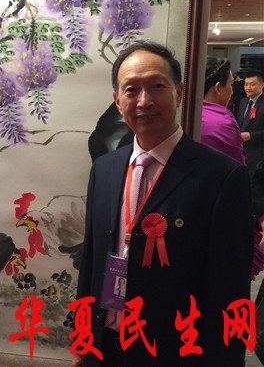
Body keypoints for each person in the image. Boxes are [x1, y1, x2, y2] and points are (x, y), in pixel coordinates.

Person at [74, 42, 252, 367]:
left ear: (179, 92)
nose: (144, 101)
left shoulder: (222, 177)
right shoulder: (104, 168)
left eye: (157, 86)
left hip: (175, 352)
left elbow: (230, 291)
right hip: (105, 347)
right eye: (131, 90)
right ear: (117, 101)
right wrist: (83, 341)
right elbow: (92, 262)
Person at [201, 56, 245, 164]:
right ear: (218, 88)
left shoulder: (184, 112)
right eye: (231, 84)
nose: (232, 91)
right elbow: (237, 167)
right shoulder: (224, 124)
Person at [235, 70, 264, 178]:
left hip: (258, 156)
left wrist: (251, 136)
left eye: (252, 85)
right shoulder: (243, 102)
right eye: (246, 84)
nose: (248, 88)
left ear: (262, 85)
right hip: (241, 153)